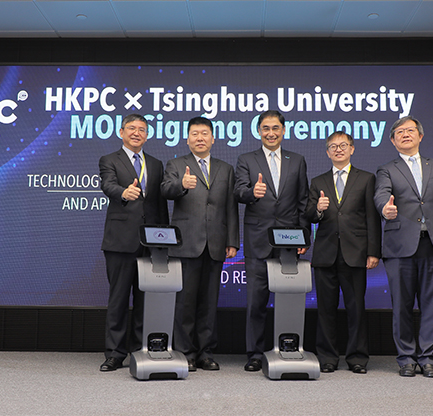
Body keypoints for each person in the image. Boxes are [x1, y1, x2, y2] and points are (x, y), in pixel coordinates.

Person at [374, 116, 433, 378]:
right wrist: (385, 209)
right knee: (401, 304)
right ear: (392, 140)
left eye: (410, 130)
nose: (405, 135)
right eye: (399, 132)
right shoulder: (387, 169)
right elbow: (381, 195)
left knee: (431, 304)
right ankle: (406, 359)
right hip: (400, 246)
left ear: (420, 136)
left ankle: (428, 358)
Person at [161, 116, 239, 372]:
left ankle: (206, 352)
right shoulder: (176, 164)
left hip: (216, 244)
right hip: (187, 243)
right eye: (195, 134)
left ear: (213, 138)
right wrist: (181, 185)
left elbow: (231, 207)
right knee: (185, 301)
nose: (200, 138)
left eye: (204, 133)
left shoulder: (225, 169)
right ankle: (185, 352)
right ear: (187, 138)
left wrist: (232, 242)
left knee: (209, 301)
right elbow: (166, 189)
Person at [234, 110, 309, 372]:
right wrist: (252, 193)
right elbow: (239, 191)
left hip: (289, 241)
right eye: (265, 128)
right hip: (258, 241)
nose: (271, 133)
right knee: (256, 301)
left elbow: (302, 201)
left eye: (275, 128)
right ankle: (254, 353)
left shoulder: (297, 160)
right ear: (259, 132)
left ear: (283, 130)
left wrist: (304, 237)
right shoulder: (246, 159)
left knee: (289, 298)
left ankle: (287, 348)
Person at [305, 131, 381, 374]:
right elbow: (308, 215)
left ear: (352, 149)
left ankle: (357, 358)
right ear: (327, 152)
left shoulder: (367, 179)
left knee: (356, 308)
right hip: (326, 254)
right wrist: (317, 209)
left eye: (343, 145)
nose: (338, 150)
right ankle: (327, 357)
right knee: (325, 309)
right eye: (333, 146)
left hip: (356, 253)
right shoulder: (318, 182)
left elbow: (372, 218)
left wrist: (373, 252)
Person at [98, 114, 168, 371]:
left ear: (147, 135)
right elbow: (108, 185)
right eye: (132, 129)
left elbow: (160, 205)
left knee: (145, 300)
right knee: (118, 299)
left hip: (150, 243)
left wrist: (164, 240)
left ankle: (141, 348)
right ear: (121, 132)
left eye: (142, 129)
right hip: (120, 242)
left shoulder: (156, 163)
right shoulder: (109, 160)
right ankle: (115, 353)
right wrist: (123, 193)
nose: (136, 133)